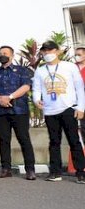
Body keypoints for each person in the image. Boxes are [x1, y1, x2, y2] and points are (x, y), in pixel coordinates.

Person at [32, 40, 85, 183]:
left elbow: (79, 87)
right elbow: (36, 88)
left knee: (74, 141)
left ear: (57, 51)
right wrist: (37, 100)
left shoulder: (69, 67)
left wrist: (80, 107)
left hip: (68, 108)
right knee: (54, 142)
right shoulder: (40, 70)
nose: (48, 53)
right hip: (50, 110)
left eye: (50, 50)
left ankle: (81, 172)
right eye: (45, 51)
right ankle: (55, 172)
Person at [0, 45, 37, 180]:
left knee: (24, 139)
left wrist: (10, 97)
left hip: (19, 110)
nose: (2, 55)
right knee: (3, 140)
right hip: (0, 111)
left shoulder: (22, 70)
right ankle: (6, 168)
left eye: (5, 53)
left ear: (11, 56)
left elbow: (26, 86)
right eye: (0, 53)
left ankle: (30, 170)